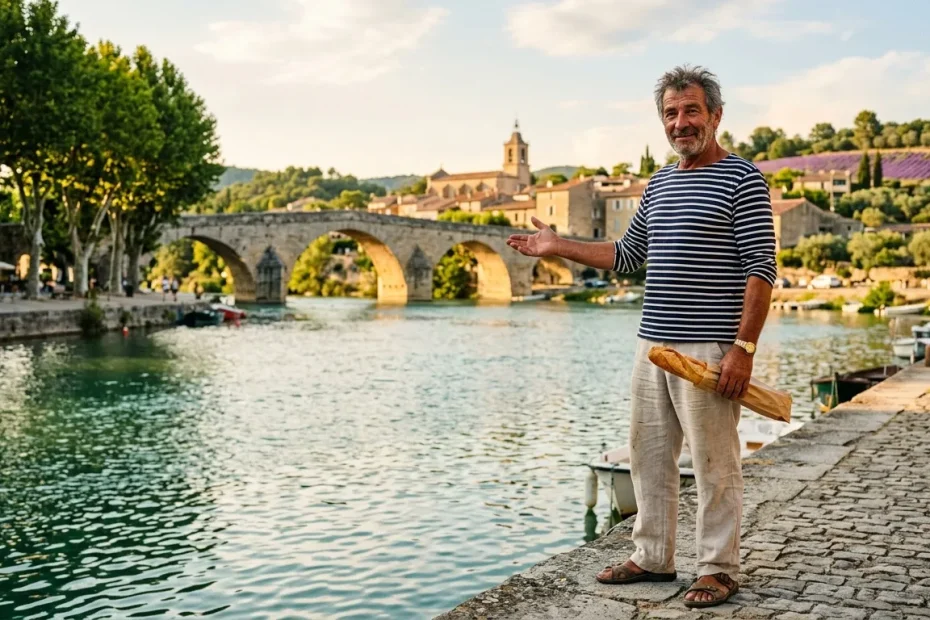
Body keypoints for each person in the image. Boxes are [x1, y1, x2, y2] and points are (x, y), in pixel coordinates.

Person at [506, 65, 776, 609]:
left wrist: (742, 351)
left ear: (716, 115)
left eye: (691, 111)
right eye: (671, 113)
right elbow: (627, 256)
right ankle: (653, 556)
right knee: (648, 457)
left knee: (714, 465)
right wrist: (558, 246)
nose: (681, 123)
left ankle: (719, 568)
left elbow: (760, 270)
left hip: (709, 350)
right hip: (652, 346)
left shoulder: (744, 179)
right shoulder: (659, 184)